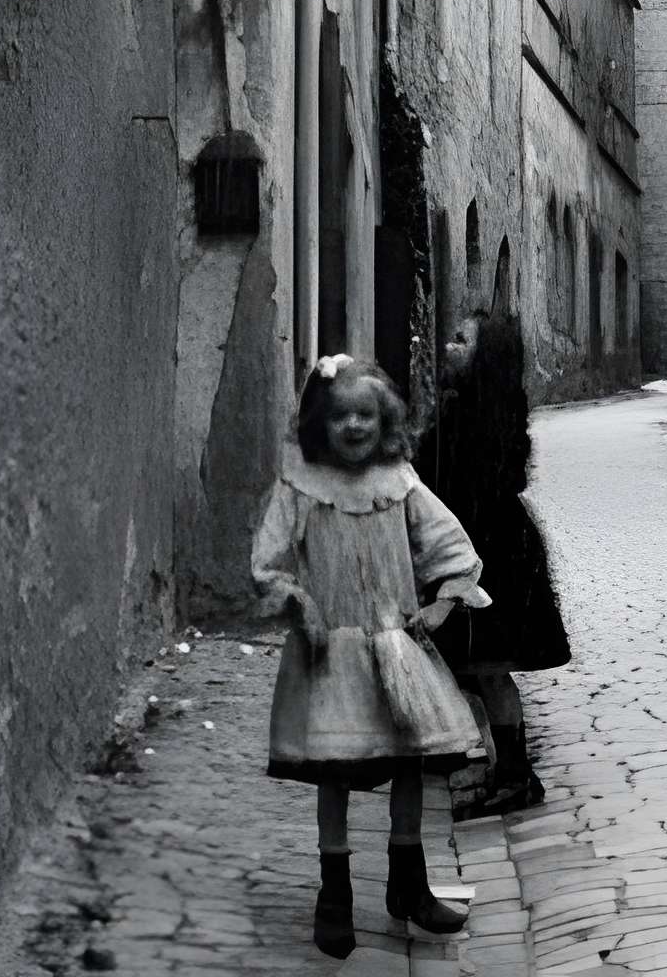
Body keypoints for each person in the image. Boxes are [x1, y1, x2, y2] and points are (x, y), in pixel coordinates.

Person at [251, 354, 492, 961]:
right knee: (334, 765)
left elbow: (449, 545)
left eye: (365, 415)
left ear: (384, 423)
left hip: (395, 647)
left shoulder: (400, 482)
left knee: (408, 759)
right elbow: (269, 560)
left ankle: (407, 880)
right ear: (319, 424)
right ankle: (334, 893)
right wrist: (296, 601)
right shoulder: (302, 484)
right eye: (340, 417)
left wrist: (441, 603)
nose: (353, 426)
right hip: (331, 650)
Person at [417, 306, 571, 817]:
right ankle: (506, 768)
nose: (449, 347)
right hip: (482, 546)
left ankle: (515, 776)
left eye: (462, 341)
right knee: (477, 669)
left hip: (493, 553)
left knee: (489, 668)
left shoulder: (483, 417)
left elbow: (466, 483)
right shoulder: (468, 407)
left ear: (487, 358)